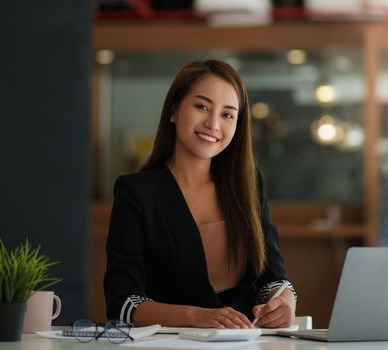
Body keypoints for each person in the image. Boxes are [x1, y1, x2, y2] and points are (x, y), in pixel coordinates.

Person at [104, 59, 297, 329]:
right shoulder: (137, 192)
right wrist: (196, 317)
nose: (213, 124)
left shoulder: (248, 184)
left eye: (227, 114)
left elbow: (272, 278)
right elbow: (123, 303)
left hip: (246, 344)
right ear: (174, 110)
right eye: (202, 107)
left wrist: (285, 300)